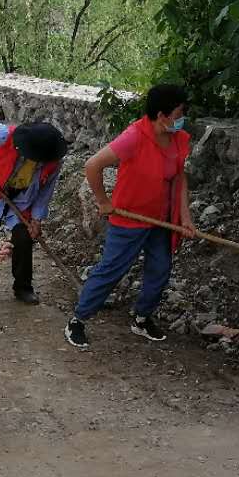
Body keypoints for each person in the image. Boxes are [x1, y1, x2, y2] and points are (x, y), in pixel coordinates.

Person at [64, 84, 195, 350]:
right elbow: (92, 165)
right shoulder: (134, 137)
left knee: (160, 268)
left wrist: (185, 217)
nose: (183, 117)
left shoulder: (178, 138)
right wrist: (103, 201)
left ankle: (142, 317)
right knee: (112, 269)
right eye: (180, 112)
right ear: (162, 115)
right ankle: (77, 320)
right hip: (129, 218)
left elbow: (179, 178)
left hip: (161, 220)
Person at [0, 116, 68, 305]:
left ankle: (23, 287)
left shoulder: (52, 161)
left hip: (21, 203)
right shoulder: (2, 135)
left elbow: (45, 192)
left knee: (24, 239)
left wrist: (36, 219)